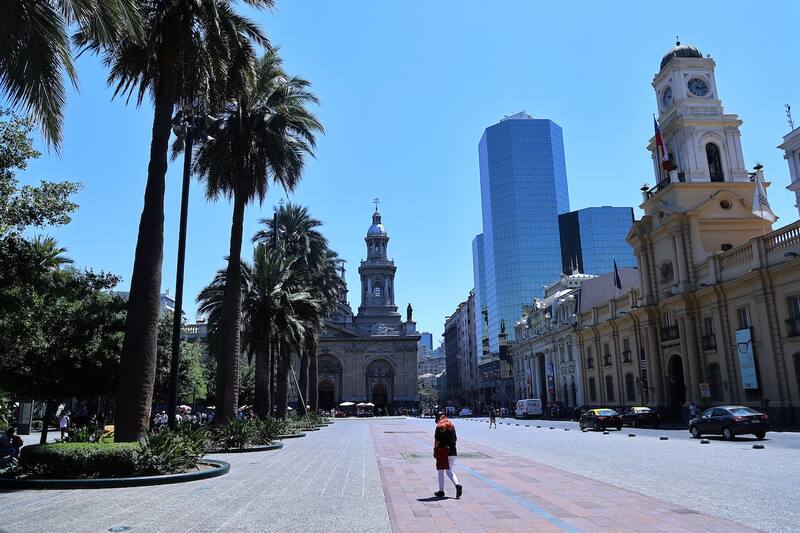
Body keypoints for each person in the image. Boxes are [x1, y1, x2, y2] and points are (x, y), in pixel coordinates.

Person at [433, 412, 462, 499]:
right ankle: (457, 485)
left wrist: (435, 451)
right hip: (452, 451)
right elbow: (455, 439)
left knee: (441, 471)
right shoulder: (451, 426)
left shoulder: (439, 426)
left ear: (438, 418)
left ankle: (441, 491)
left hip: (442, 451)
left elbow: (437, 441)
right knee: (449, 471)